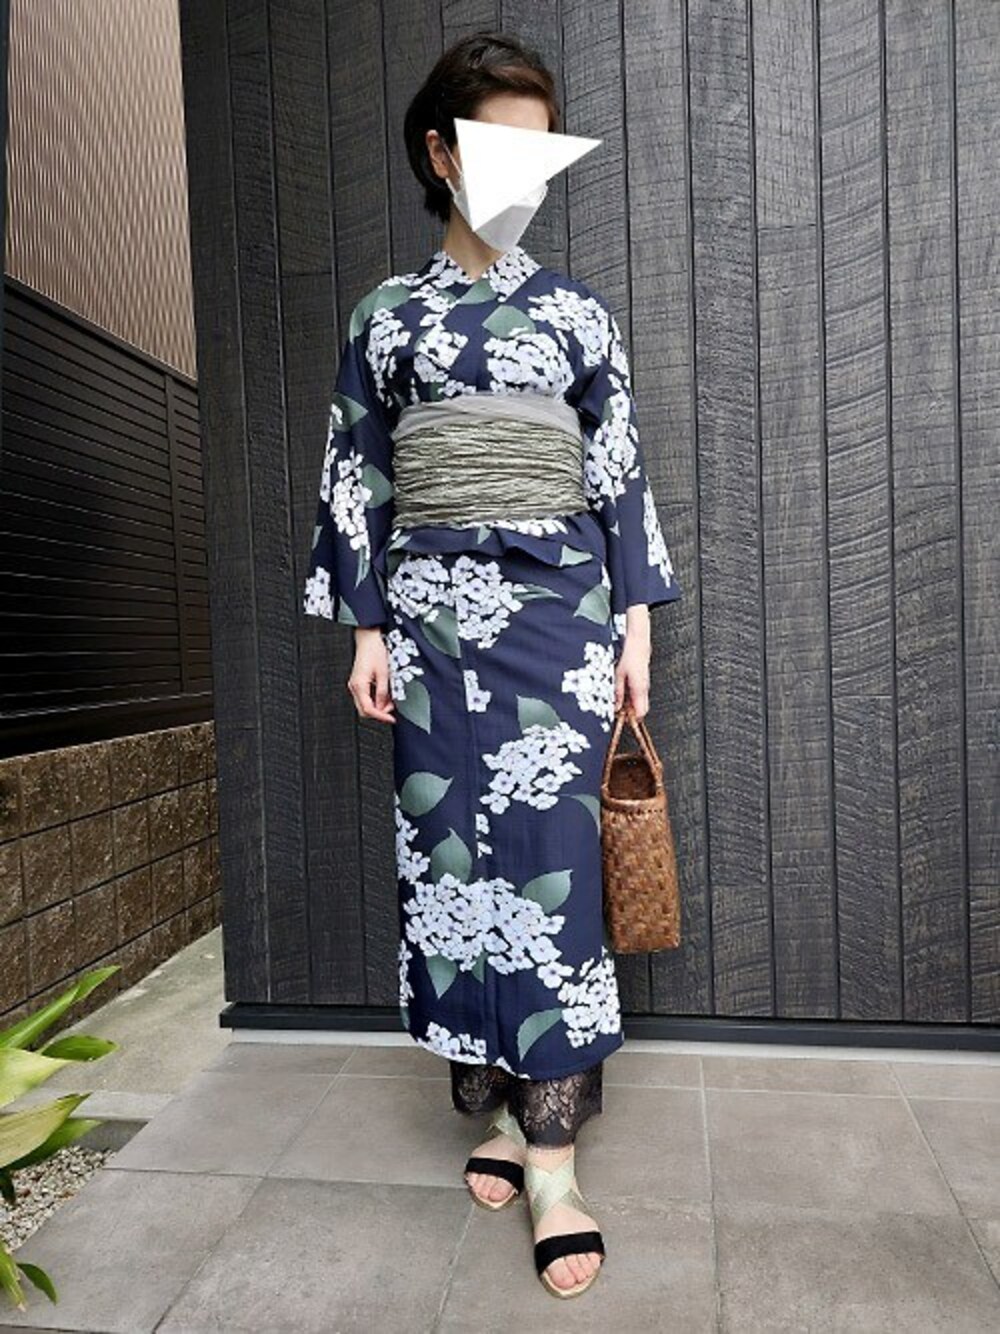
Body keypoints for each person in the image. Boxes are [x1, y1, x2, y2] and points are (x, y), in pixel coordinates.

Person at [302, 30, 681, 1299]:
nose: (521, 171)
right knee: (450, 857)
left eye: (537, 148)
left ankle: (555, 1157)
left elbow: (617, 472)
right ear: (440, 153)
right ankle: (500, 1107)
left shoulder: (576, 313)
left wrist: (635, 627)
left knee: (553, 861)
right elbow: (358, 471)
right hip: (426, 619)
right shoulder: (384, 315)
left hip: (559, 612)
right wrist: (366, 626)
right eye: (494, 145)